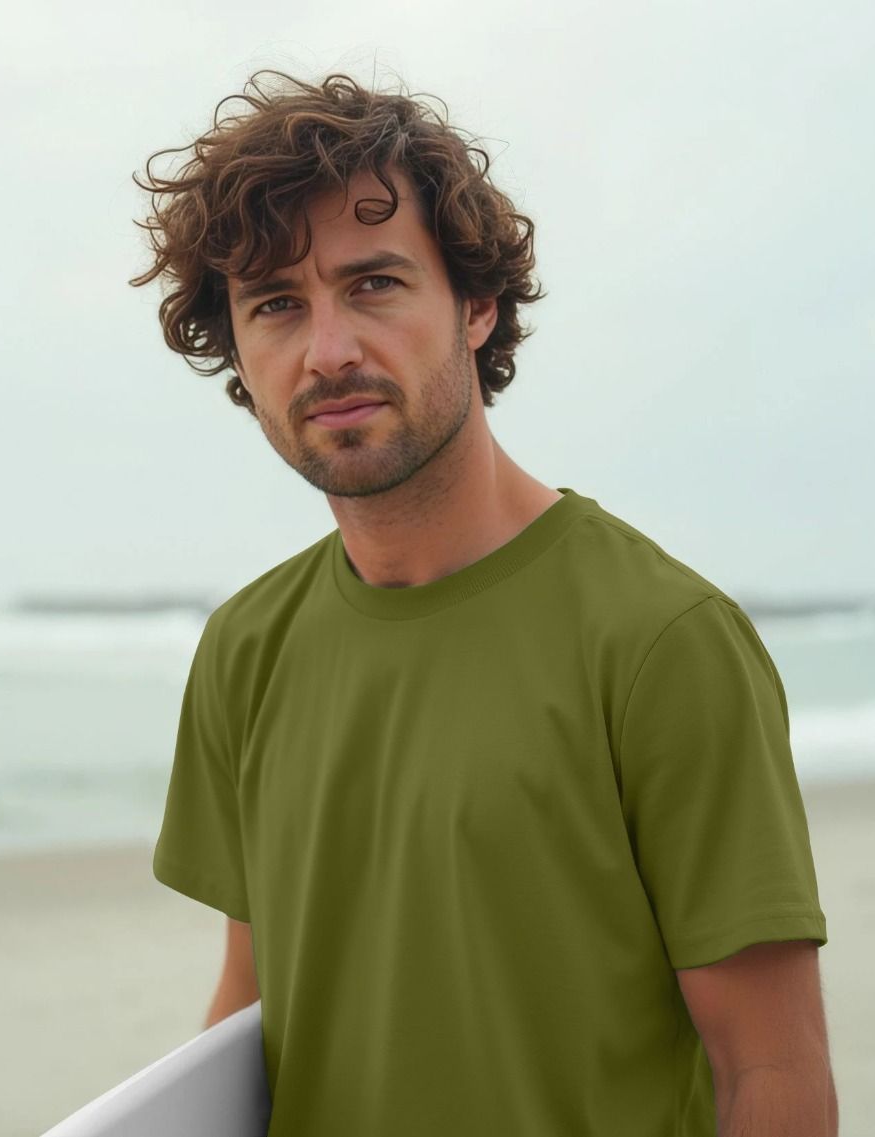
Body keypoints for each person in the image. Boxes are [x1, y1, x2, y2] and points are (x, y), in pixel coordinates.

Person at [133, 69, 837, 1137]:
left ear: (475, 304)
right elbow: (254, 1007)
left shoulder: (660, 641)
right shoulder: (246, 648)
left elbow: (773, 1078)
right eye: (276, 305)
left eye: (373, 284)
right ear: (238, 349)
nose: (329, 352)